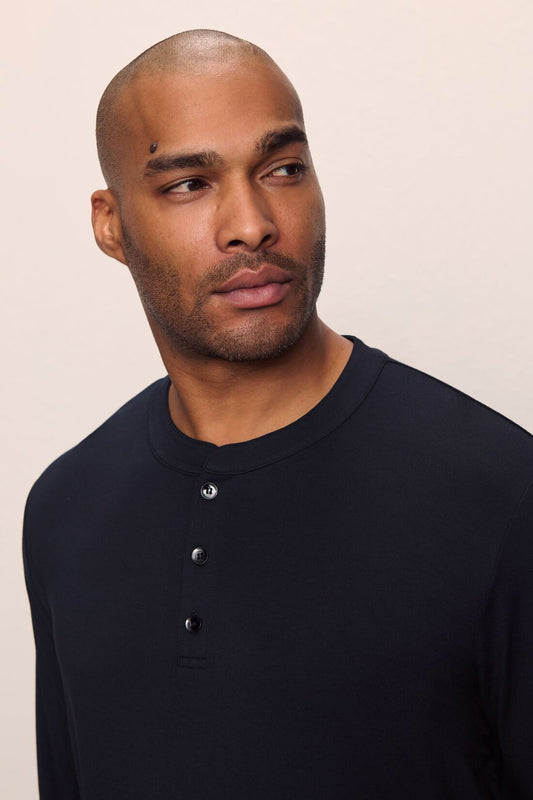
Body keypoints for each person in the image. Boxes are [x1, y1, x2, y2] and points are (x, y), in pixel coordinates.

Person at [23, 29, 533, 800]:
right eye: (189, 184)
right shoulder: (66, 510)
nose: (252, 223)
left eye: (282, 169)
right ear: (110, 224)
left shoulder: (500, 498)